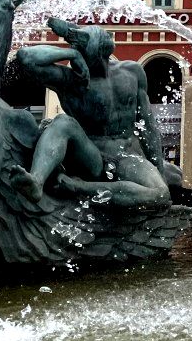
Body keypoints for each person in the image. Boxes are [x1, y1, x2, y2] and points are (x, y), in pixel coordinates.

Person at [13, 18, 181, 209]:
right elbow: (25, 57)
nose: (78, 60)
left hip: (128, 158)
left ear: (99, 52)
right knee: (62, 122)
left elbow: (148, 127)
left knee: (160, 193)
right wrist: (69, 53)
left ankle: (79, 187)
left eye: (82, 53)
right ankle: (36, 181)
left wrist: (159, 171)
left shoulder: (132, 72)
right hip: (92, 158)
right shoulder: (71, 80)